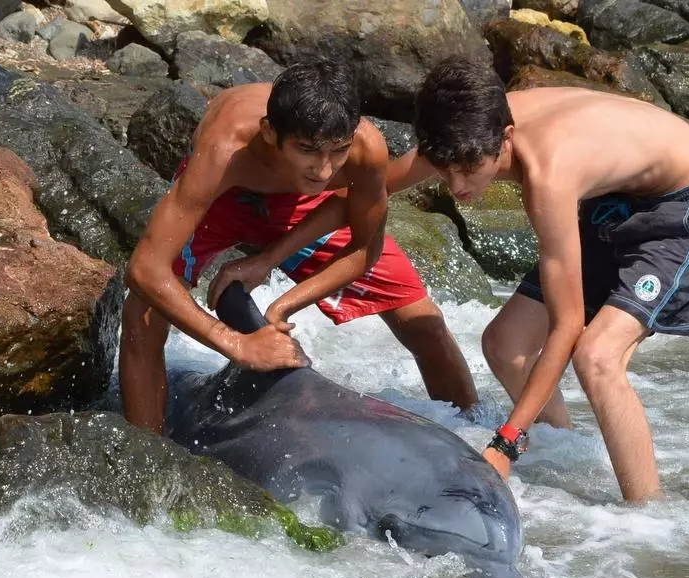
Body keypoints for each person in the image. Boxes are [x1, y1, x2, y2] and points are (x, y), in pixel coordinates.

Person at [386, 56, 689, 502]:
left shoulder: (548, 175)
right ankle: (568, 456)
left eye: (468, 168)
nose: (457, 185)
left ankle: (650, 520)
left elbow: (567, 324)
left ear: (505, 140)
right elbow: (375, 183)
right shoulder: (466, 124)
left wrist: (505, 441)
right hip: (617, 195)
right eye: (445, 169)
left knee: (597, 357)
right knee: (506, 344)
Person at [119, 60, 477, 436]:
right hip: (225, 198)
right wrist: (237, 344)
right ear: (269, 133)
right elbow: (145, 269)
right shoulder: (227, 148)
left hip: (304, 206)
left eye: (338, 151)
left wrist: (282, 298)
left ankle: (473, 438)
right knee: (142, 314)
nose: (324, 170)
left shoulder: (365, 147)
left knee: (423, 321)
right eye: (307, 149)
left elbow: (363, 251)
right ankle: (150, 457)